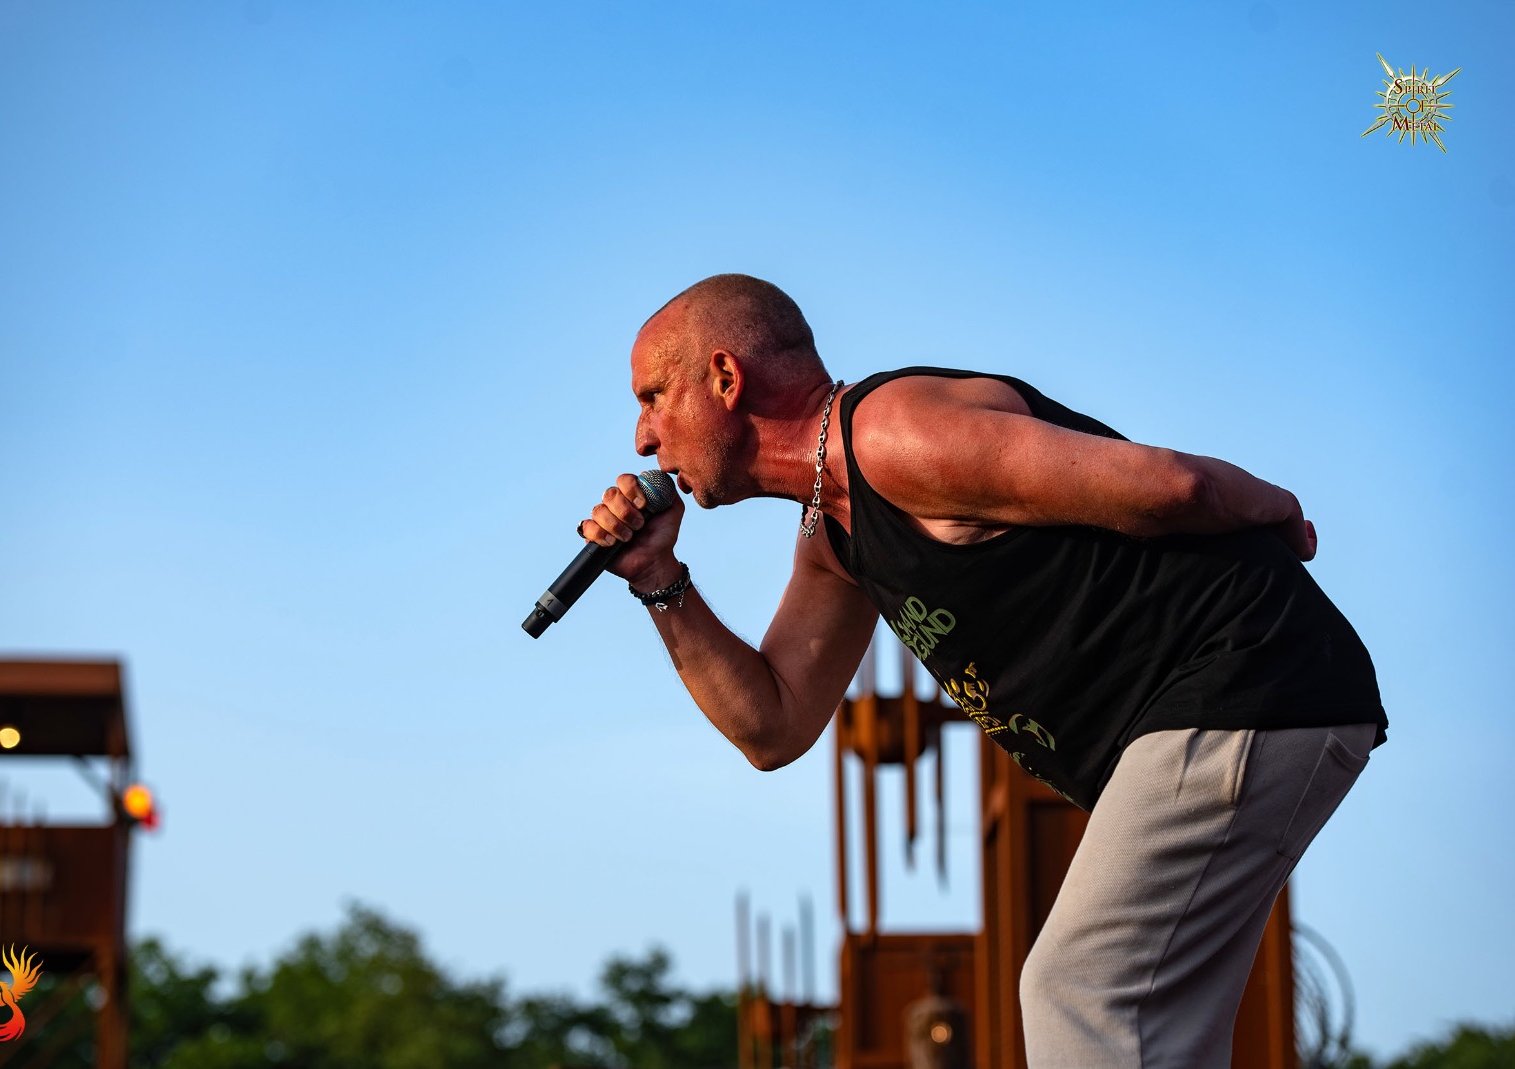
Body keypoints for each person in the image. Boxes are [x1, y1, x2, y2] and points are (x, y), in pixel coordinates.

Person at [579, 273, 1386, 1068]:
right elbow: (773, 724)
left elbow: (1175, 485)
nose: (643, 437)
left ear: (725, 378)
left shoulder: (892, 436)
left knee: (1082, 989)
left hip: (1245, 679)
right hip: (1231, 707)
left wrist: (1279, 510)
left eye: (654, 396)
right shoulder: (833, 533)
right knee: (1148, 1027)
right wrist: (658, 578)